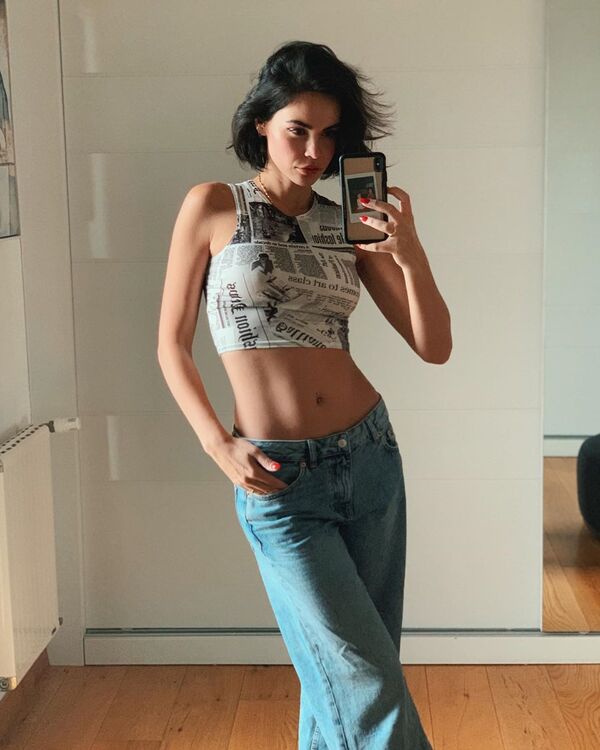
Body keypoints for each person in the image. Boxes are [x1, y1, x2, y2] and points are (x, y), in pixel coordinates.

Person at [157, 40, 451, 750]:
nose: (315, 150)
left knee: (345, 681)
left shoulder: (347, 226)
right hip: (277, 475)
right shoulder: (212, 206)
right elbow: (170, 344)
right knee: (366, 684)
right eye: (298, 129)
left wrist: (409, 253)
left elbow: (434, 345)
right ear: (262, 122)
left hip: (369, 458)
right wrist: (217, 444)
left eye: (330, 134)